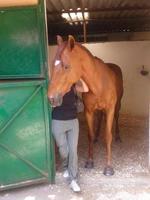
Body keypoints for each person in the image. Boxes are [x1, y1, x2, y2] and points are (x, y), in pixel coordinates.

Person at [51, 80, 88, 192]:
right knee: (63, 150)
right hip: (58, 121)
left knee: (73, 151)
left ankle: (73, 180)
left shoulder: (73, 85)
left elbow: (86, 89)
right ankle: (65, 167)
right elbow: (52, 102)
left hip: (73, 121)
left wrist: (79, 79)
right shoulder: (55, 85)